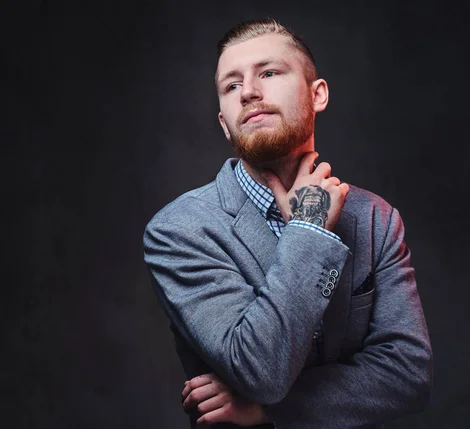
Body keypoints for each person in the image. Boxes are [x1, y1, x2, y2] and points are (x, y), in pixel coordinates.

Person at [143, 18, 433, 429]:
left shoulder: (375, 219)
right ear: (225, 123)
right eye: (230, 85)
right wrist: (310, 228)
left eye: (269, 73)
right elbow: (261, 371)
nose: (248, 92)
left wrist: (268, 411)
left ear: (318, 95)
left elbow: (408, 376)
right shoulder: (179, 230)